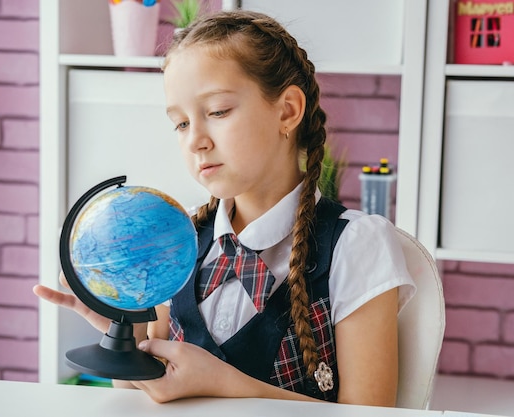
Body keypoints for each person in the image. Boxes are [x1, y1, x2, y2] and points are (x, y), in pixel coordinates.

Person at [34, 9, 415, 407]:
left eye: (217, 111)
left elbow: (371, 413)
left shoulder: (355, 244)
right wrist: (124, 338)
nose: (195, 140)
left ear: (287, 110)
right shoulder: (180, 241)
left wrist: (227, 384)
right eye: (180, 123)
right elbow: (137, 394)